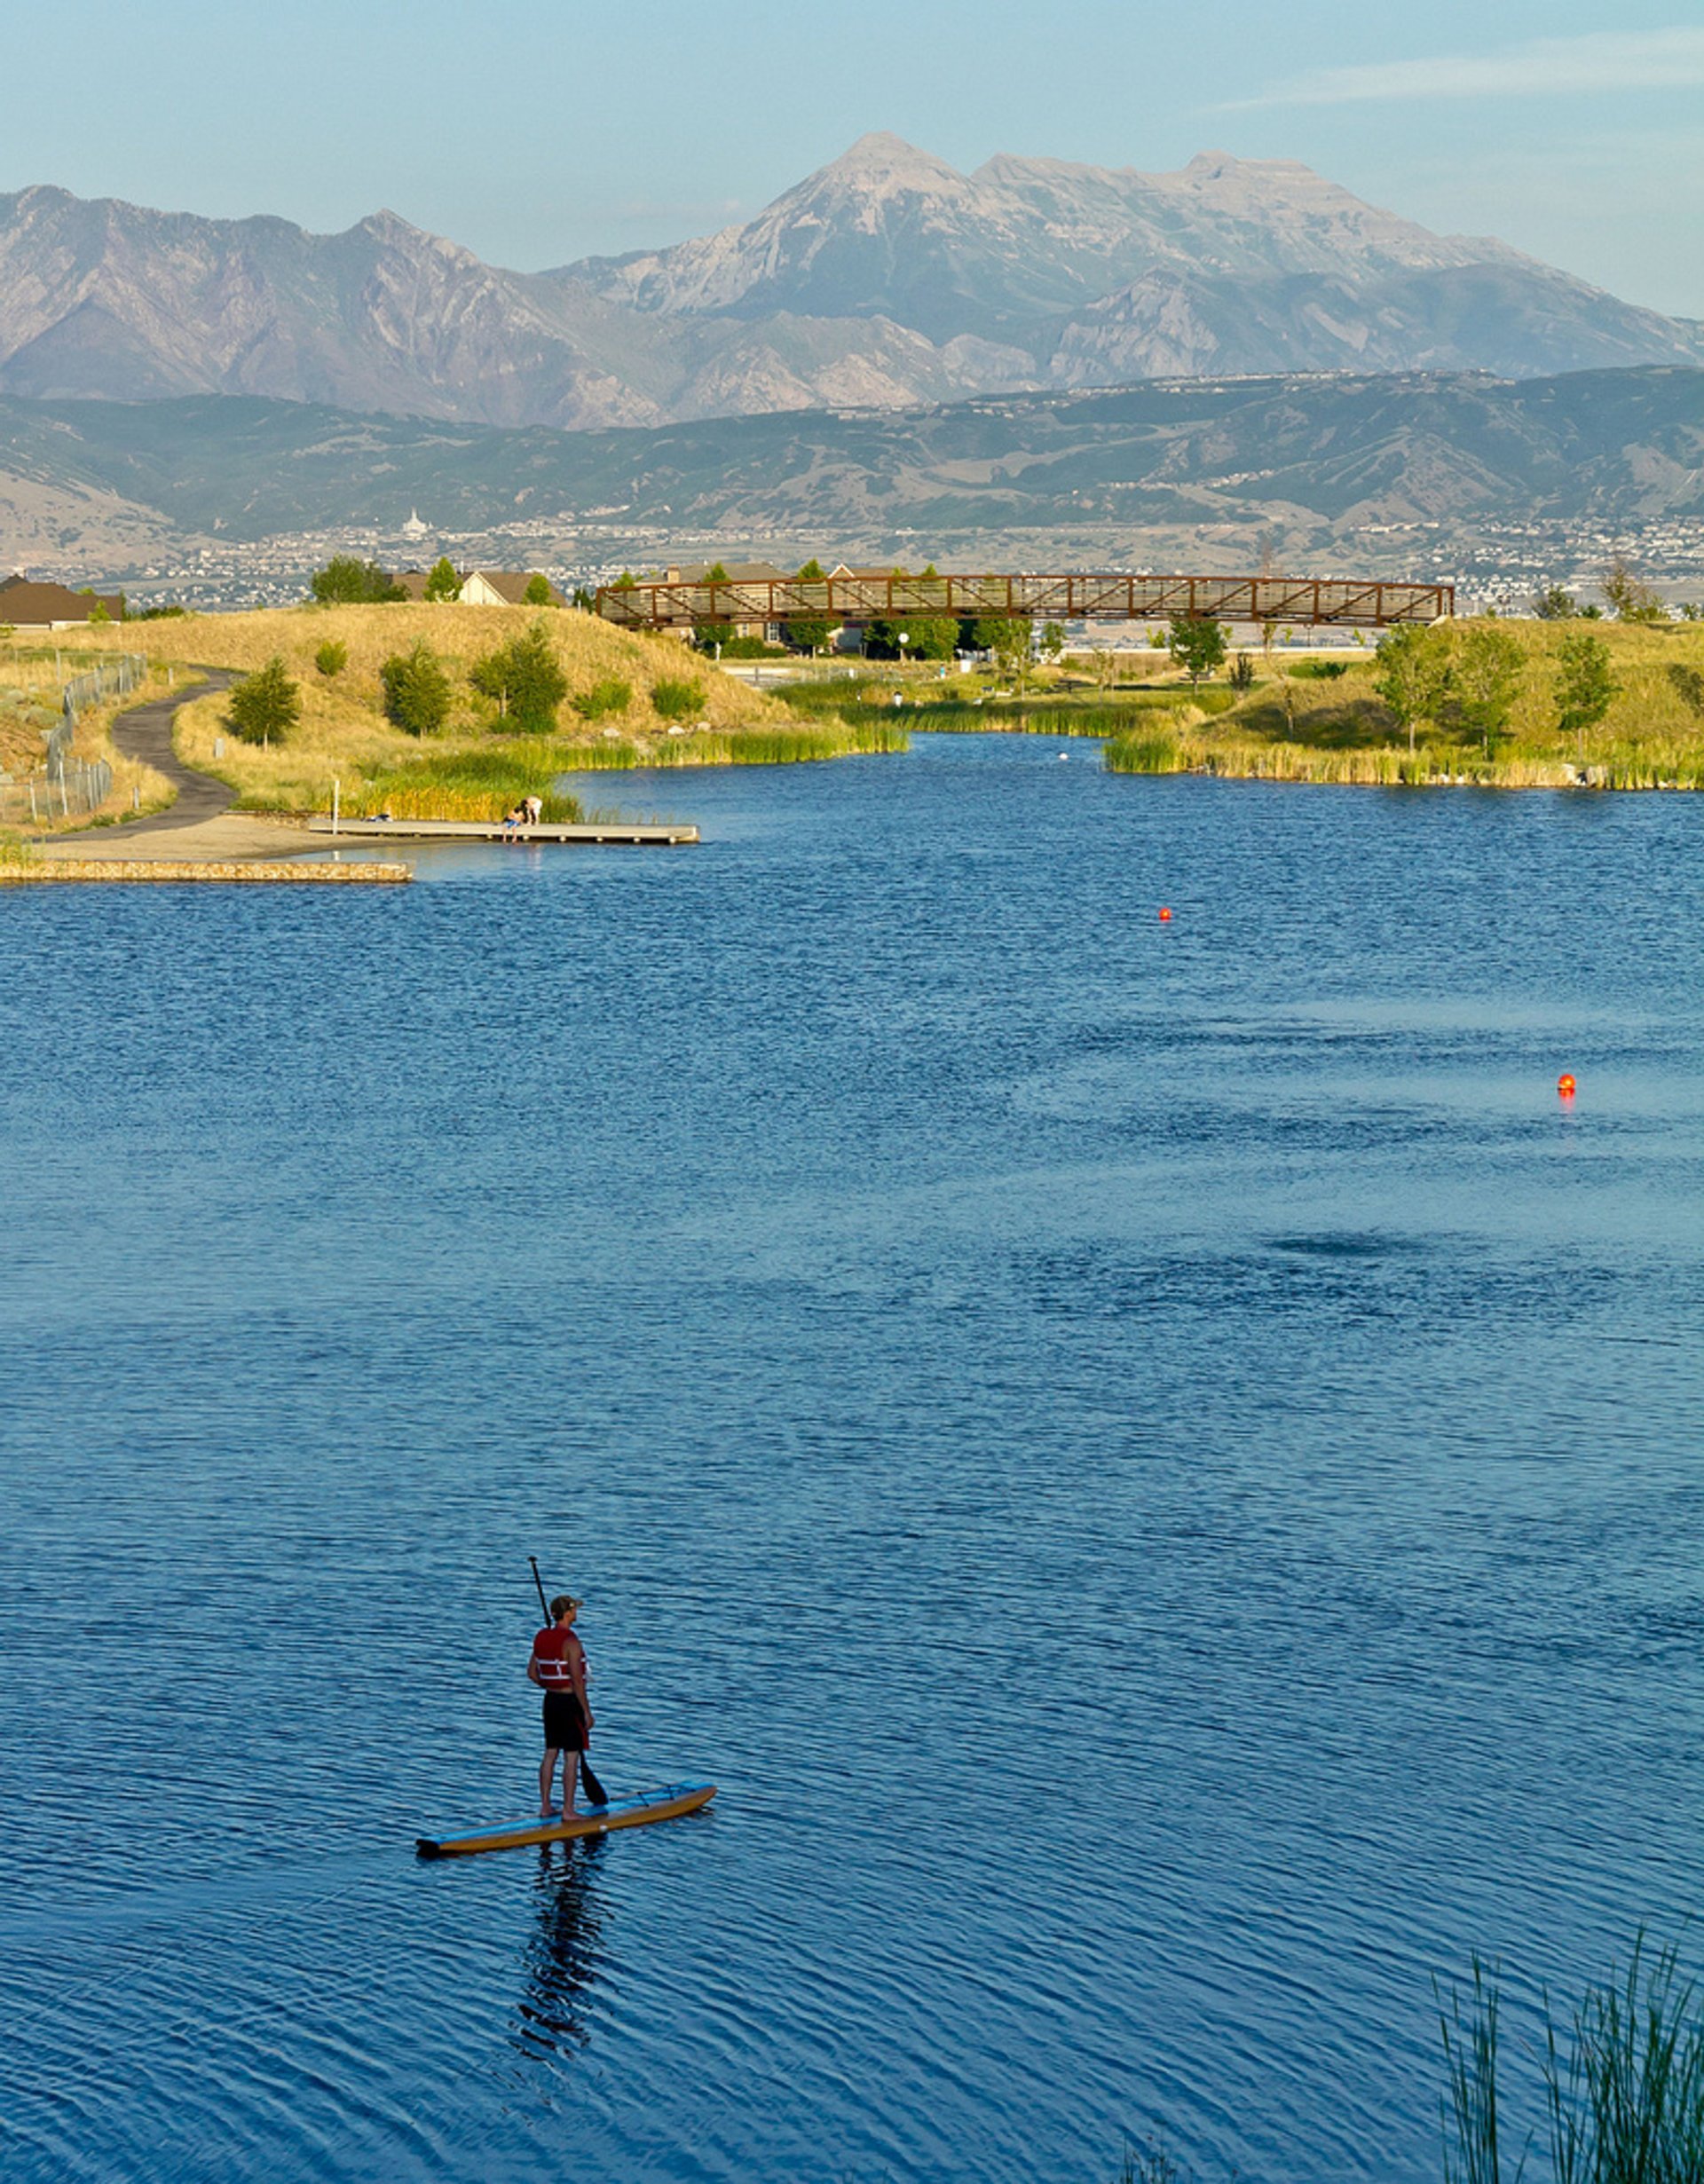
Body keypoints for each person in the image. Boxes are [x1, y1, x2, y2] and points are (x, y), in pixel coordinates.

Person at [528, 1593, 593, 1818]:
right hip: (568, 1702)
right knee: (571, 1756)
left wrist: (550, 1685)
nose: (577, 1613)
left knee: (550, 1753)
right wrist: (586, 1711)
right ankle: (568, 1810)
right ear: (568, 1613)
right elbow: (577, 1680)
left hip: (550, 1701)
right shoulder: (572, 1642)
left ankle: (545, 1806)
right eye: (575, 1609)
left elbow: (532, 1673)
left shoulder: (541, 1637)